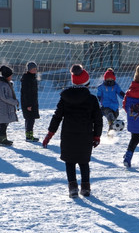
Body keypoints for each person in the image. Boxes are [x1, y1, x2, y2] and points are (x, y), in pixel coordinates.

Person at [42, 64, 102, 198]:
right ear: (87, 82)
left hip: (68, 135)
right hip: (85, 136)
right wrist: (97, 136)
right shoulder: (92, 99)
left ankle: (73, 188)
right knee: (83, 162)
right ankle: (85, 187)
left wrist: (50, 134)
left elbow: (57, 116)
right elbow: (98, 119)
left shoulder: (65, 98)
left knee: (69, 162)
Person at [0, 65, 19, 146]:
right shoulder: (2, 85)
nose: (11, 76)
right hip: (3, 108)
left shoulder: (7, 84)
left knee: (5, 123)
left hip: (6, 108)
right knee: (3, 124)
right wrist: (14, 102)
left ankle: (4, 139)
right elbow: (4, 97)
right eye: (10, 75)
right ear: (6, 76)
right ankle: (2, 140)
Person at [96, 68, 125, 134]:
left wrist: (124, 95)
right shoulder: (101, 87)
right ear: (105, 79)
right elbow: (99, 94)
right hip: (106, 106)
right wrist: (99, 98)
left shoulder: (116, 86)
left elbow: (119, 92)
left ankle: (110, 134)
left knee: (113, 122)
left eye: (111, 79)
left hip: (114, 106)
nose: (109, 80)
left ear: (114, 79)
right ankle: (109, 135)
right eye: (108, 79)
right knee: (111, 118)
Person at [20, 61, 40, 142]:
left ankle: (29, 135)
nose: (35, 70)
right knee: (30, 119)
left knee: (31, 119)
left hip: (32, 102)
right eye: (33, 69)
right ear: (29, 69)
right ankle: (29, 136)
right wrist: (28, 104)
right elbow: (26, 92)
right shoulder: (27, 78)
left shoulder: (32, 77)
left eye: (35, 68)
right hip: (28, 103)